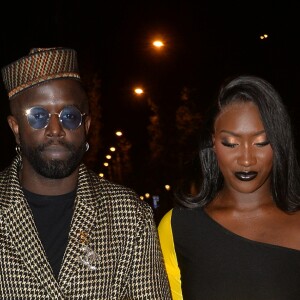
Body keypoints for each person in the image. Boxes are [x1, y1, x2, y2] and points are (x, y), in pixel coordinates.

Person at [0, 47, 171, 299]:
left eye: (69, 116)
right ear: (16, 127)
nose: (55, 129)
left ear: (87, 125)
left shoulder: (129, 216)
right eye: (38, 116)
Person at [158, 75, 300, 300]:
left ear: (279, 143)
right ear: (213, 143)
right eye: (231, 143)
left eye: (261, 142)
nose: (246, 159)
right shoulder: (178, 227)